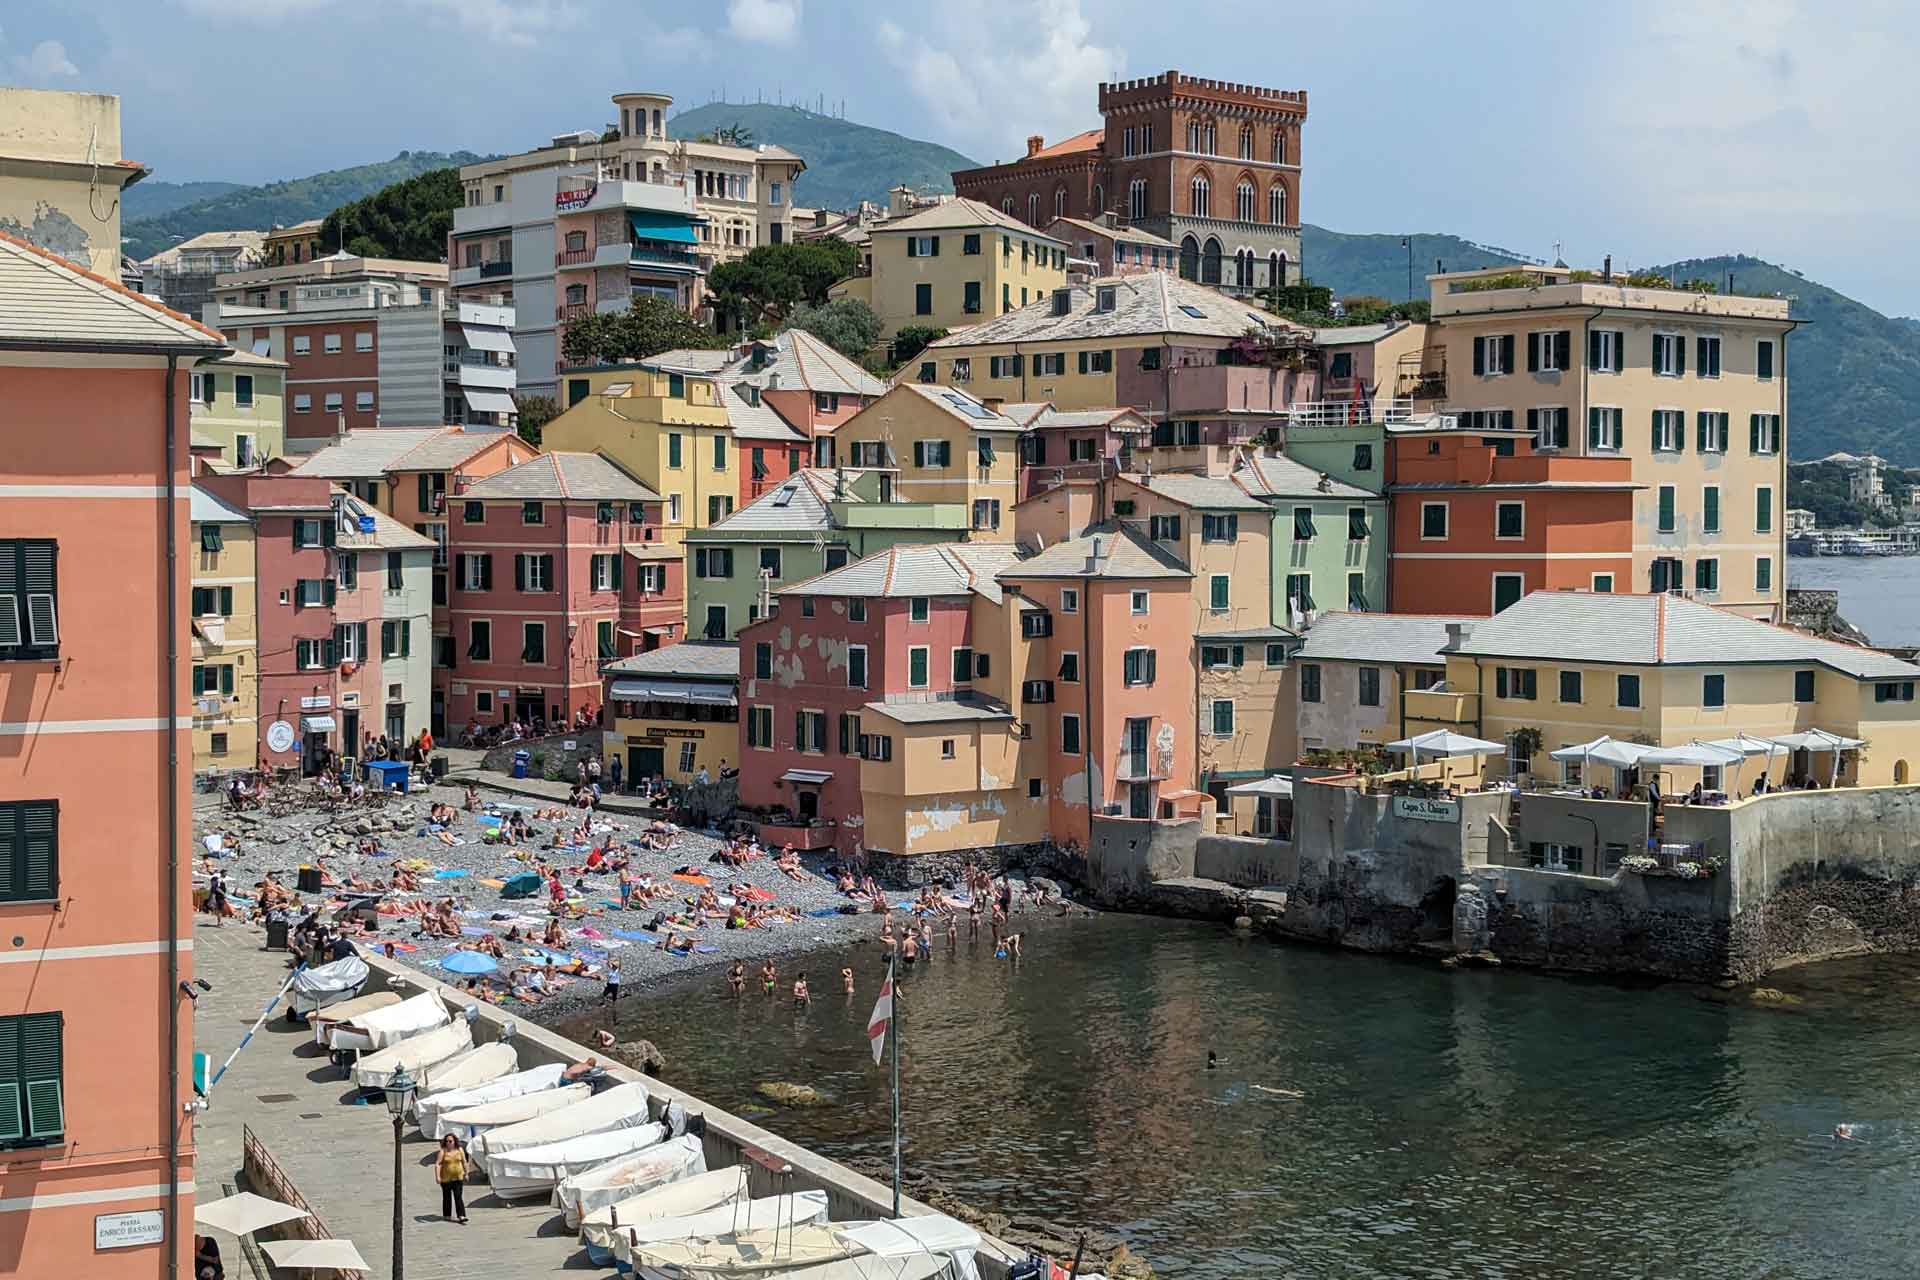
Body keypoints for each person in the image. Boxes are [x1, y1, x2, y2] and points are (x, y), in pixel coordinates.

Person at [435, 1133, 469, 1223]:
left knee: (458, 1196)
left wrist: (466, 1173)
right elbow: (438, 1164)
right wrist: (437, 1176)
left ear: (454, 1141)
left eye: (450, 1141)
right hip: (446, 1178)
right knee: (447, 1197)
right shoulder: (443, 1151)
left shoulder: (459, 1150)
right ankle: (447, 1215)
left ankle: (461, 1215)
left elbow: (464, 1162)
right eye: (446, 1141)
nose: (448, 1143)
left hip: (458, 1177)